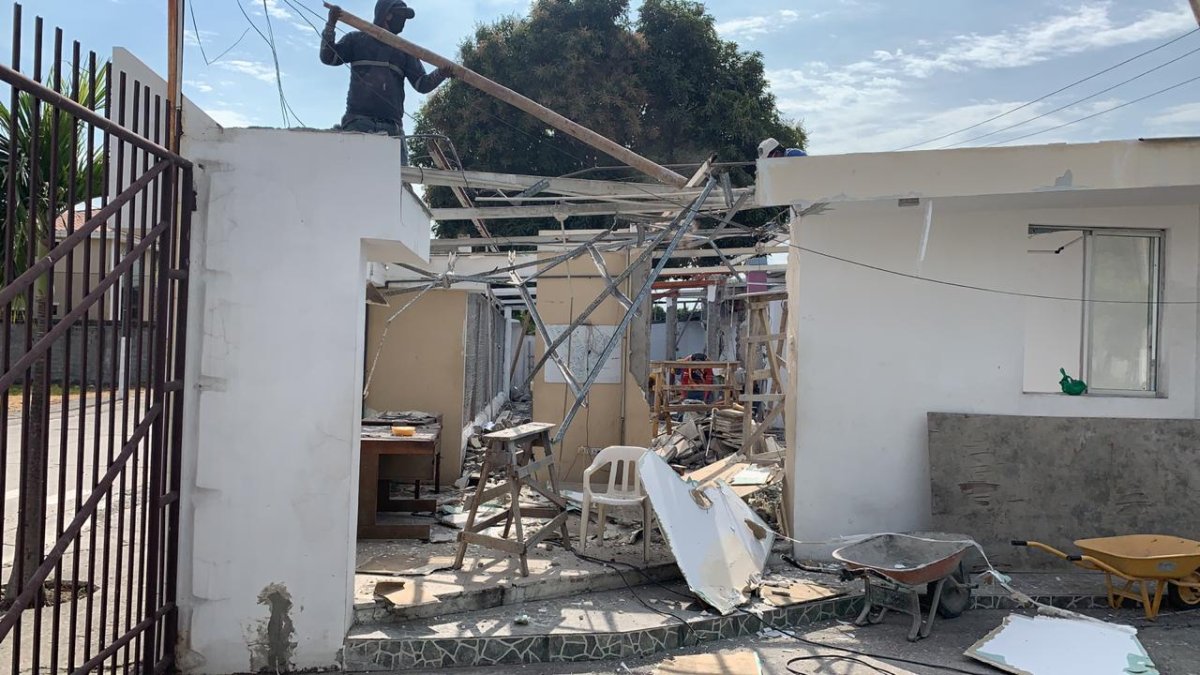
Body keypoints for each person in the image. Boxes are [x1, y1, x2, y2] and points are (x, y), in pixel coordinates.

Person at [321, 1, 452, 160]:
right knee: (354, 177)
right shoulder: (357, 40)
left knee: (397, 181)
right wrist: (330, 25)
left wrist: (441, 73)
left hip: (392, 127)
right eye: (401, 16)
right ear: (387, 14)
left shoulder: (404, 50)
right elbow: (328, 57)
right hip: (359, 122)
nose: (403, 22)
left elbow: (422, 84)